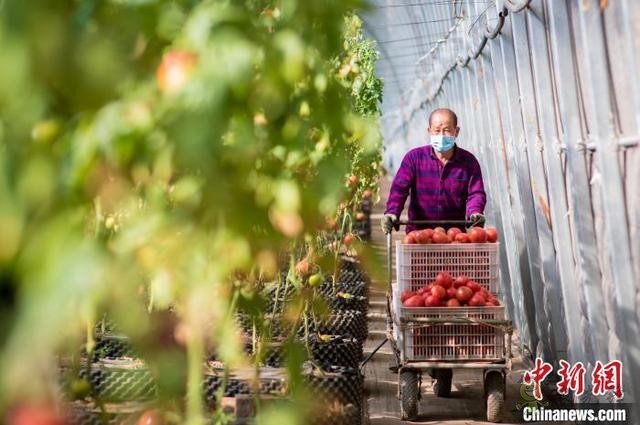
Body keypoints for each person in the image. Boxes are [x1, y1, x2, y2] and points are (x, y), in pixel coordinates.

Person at [381, 108, 486, 234]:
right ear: (429, 131)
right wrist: (392, 212)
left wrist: (475, 212)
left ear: (456, 131)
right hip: (419, 235)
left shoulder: (468, 162)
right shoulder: (414, 158)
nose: (441, 135)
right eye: (437, 130)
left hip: (453, 236)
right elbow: (399, 188)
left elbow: (476, 192)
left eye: (446, 130)